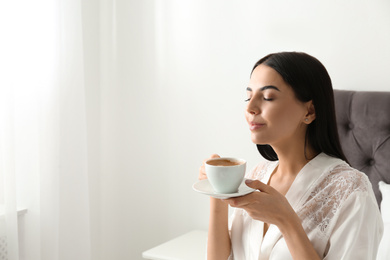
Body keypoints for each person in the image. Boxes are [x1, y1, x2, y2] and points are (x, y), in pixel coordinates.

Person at [198, 52, 383, 260]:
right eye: (248, 97)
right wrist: (217, 193)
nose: (250, 108)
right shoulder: (256, 176)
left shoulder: (352, 191)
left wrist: (286, 220)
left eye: (268, 97)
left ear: (309, 111)